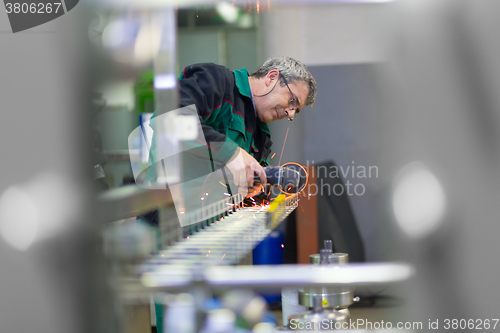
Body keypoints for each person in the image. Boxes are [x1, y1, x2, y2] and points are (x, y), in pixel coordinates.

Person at [178, 56, 317, 192]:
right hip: (170, 207)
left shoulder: (261, 133)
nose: (290, 114)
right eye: (292, 100)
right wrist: (231, 153)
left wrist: (254, 186)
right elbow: (171, 119)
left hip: (214, 212)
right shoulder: (216, 81)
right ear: (272, 77)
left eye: (295, 111)